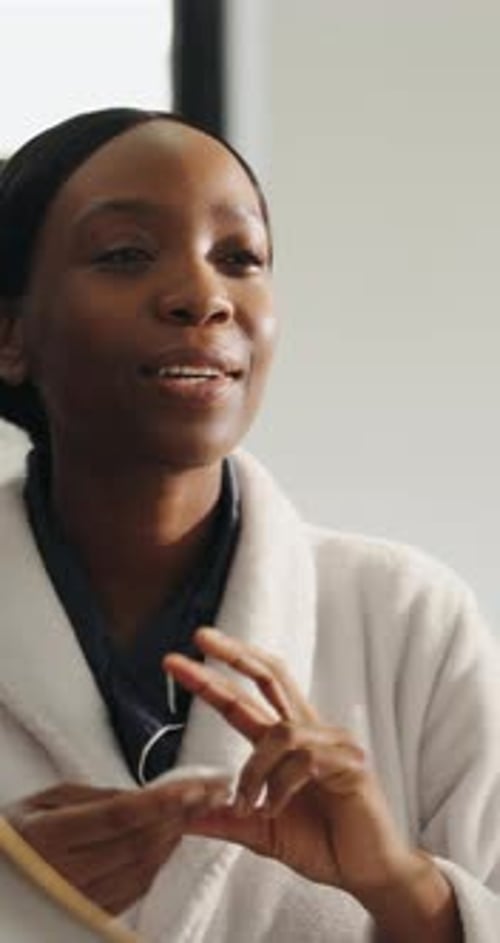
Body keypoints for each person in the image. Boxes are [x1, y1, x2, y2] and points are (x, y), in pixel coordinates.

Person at [0, 107, 498, 943]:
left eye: (240, 259)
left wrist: (398, 881)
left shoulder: (407, 618)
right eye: (125, 254)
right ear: (10, 333)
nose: (203, 296)